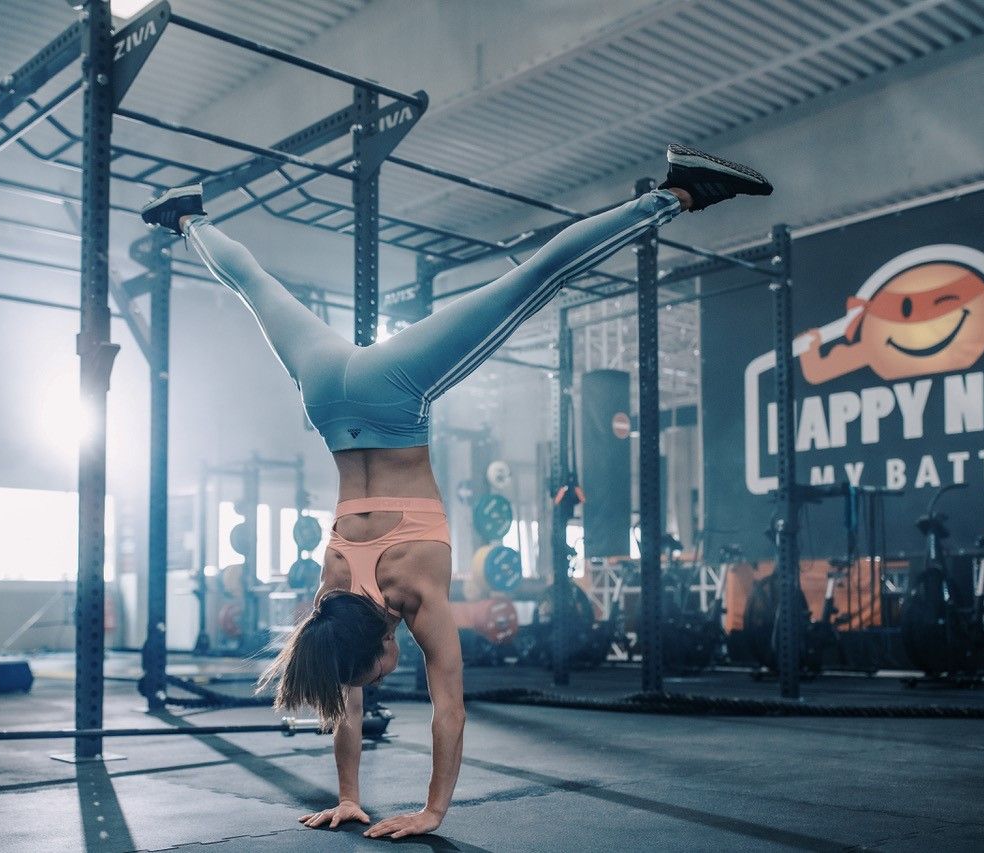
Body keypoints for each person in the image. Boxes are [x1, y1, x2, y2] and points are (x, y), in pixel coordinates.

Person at [141, 143, 771, 839]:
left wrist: (433, 811)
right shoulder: (331, 603)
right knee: (254, 286)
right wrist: (349, 796)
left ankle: (678, 192)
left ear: (376, 646)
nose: (381, 677)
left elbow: (450, 708)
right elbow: (344, 699)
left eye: (376, 673)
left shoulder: (413, 593)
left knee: (536, 279)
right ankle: (188, 219)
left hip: (392, 396)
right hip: (328, 397)